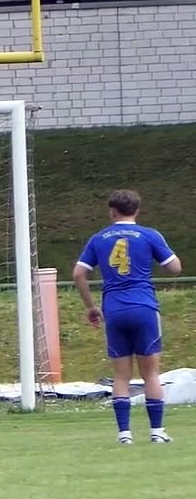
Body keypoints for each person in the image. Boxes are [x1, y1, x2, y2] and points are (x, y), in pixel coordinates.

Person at [72, 189, 182, 445]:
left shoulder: (99, 238)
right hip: (144, 307)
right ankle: (157, 431)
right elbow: (175, 268)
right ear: (137, 211)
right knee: (151, 374)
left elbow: (79, 273)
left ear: (112, 211)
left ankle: (124, 434)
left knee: (121, 375)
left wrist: (91, 306)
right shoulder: (149, 235)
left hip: (114, 309)